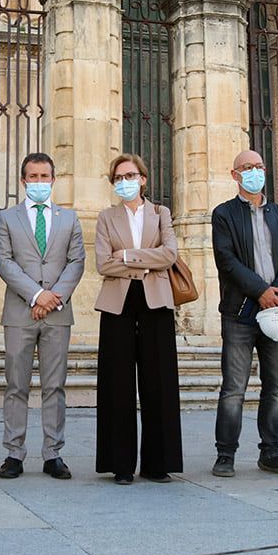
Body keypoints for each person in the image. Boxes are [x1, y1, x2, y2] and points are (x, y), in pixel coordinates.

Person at [210, 149, 278, 478]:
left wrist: (277, 290)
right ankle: (225, 454)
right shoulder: (223, 214)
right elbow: (226, 259)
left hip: (276, 311)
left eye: (259, 166)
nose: (254, 172)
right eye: (247, 168)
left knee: (275, 387)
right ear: (235, 175)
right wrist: (259, 291)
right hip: (240, 312)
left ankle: (271, 452)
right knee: (234, 387)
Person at [0, 153, 86, 480]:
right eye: (33, 177)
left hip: (58, 313)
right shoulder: (7, 218)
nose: (39, 182)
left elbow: (76, 262)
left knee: (54, 386)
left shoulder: (69, 219)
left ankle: (53, 453)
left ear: (53, 179)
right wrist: (36, 295)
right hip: (20, 312)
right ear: (23, 181)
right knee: (16, 384)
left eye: (44, 176)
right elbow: (4, 262)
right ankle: (14, 453)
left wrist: (52, 297)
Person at [94, 153, 183, 485]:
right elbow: (104, 263)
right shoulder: (106, 217)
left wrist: (130, 257)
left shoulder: (161, 213)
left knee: (159, 381)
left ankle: (158, 463)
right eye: (118, 178)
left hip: (155, 301)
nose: (125, 182)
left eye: (130, 175)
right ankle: (121, 464)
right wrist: (148, 261)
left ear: (143, 179)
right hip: (118, 304)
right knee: (117, 383)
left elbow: (169, 254)